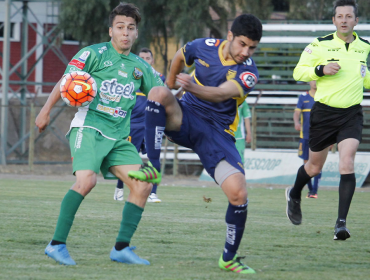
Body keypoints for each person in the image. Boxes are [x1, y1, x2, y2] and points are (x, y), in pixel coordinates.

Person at [129, 14, 262, 274]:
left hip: (218, 134)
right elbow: (180, 56)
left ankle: (228, 258)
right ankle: (153, 168)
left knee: (239, 194)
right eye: (243, 44)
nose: (246, 52)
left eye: (252, 48)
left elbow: (222, 93)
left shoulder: (249, 72)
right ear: (230, 35)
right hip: (186, 118)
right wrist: (170, 87)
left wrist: (190, 86)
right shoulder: (204, 46)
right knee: (156, 94)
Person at [35, 3, 163, 266]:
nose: (125, 33)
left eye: (130, 28)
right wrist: (45, 110)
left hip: (118, 138)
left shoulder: (141, 67)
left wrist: (179, 110)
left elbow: (162, 95)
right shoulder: (93, 54)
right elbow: (66, 80)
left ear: (136, 33)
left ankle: (121, 248)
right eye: (120, 28)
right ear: (110, 30)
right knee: (87, 181)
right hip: (89, 128)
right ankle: (56, 245)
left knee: (143, 184)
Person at [285, 0, 370, 241]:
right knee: (314, 167)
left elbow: (365, 79)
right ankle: (294, 194)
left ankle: (340, 224)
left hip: (351, 114)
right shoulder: (319, 45)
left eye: (348, 16)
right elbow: (298, 72)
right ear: (333, 21)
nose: (344, 20)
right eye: (339, 16)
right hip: (323, 113)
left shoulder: (364, 46)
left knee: (347, 163)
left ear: (356, 21)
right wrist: (320, 70)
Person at [114, 47, 165, 203]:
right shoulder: (130, 76)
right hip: (132, 125)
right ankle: (119, 189)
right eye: (141, 58)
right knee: (128, 158)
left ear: (152, 60)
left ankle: (152, 193)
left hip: (152, 124)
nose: (144, 61)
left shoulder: (159, 78)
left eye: (147, 58)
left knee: (154, 158)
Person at [293, 81, 321, 198]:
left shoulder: (323, 97)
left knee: (318, 165)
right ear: (309, 82)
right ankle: (310, 190)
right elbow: (296, 113)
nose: (315, 82)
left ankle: (315, 190)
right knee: (306, 164)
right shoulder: (303, 97)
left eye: (317, 80)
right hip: (305, 137)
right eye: (313, 80)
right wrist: (296, 122)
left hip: (320, 137)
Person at [235, 100, 252, 165]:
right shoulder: (224, 100)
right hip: (227, 137)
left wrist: (249, 133)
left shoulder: (242, 102)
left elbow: (246, 117)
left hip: (239, 137)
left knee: (240, 161)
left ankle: (241, 174)